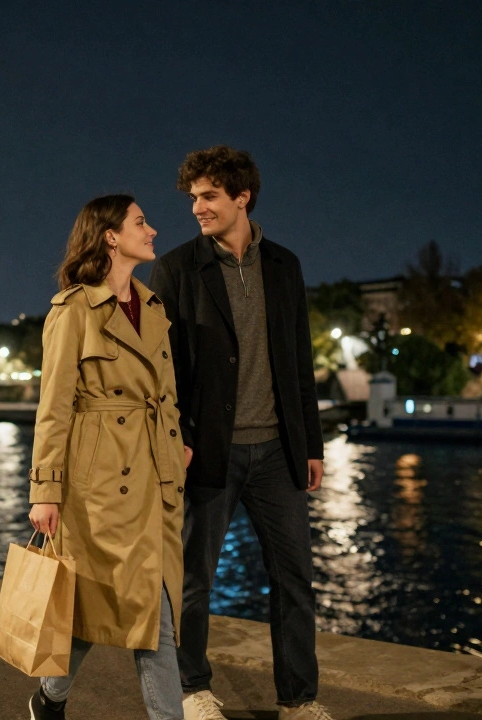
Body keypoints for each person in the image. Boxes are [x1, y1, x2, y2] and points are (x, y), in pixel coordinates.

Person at [148, 147, 332, 720]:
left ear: (241, 197)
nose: (197, 207)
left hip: (279, 450)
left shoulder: (285, 266)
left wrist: (314, 446)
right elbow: (166, 366)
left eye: (208, 196)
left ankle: (299, 700)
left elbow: (299, 361)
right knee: (194, 579)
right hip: (209, 449)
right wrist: (175, 437)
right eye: (194, 198)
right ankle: (192, 689)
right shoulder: (178, 269)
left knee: (295, 578)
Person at [26, 195, 189, 720]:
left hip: (155, 476)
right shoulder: (73, 310)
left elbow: (166, 395)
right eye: (141, 222)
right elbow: (53, 406)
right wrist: (45, 490)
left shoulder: (154, 308)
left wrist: (176, 447)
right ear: (111, 236)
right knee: (124, 610)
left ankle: (49, 699)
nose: (154, 230)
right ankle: (53, 698)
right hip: (98, 485)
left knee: (139, 606)